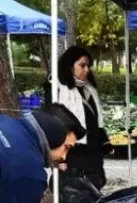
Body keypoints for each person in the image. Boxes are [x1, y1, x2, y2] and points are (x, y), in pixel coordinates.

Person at [45, 46, 108, 190]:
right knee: (72, 192)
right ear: (70, 66)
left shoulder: (90, 88)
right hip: (72, 150)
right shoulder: (56, 88)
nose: (86, 70)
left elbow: (96, 118)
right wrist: (61, 159)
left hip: (92, 150)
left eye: (88, 66)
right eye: (82, 65)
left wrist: (104, 141)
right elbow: (53, 121)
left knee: (93, 188)